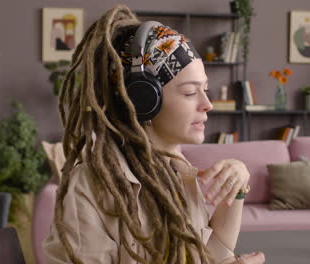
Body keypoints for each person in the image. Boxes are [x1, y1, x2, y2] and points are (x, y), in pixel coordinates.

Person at [43, 4, 265, 264]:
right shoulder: (93, 189)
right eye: (191, 92)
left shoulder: (175, 173)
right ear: (143, 99)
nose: (208, 104)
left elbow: (209, 254)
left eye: (205, 89)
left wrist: (237, 188)